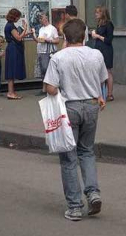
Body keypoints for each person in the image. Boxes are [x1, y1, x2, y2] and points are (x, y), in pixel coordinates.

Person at [43, 18, 108, 221]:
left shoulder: (59, 58)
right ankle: (93, 192)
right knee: (87, 151)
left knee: (69, 157)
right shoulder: (96, 54)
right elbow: (102, 79)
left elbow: (50, 88)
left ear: (65, 37)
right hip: (91, 106)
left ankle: (75, 206)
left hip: (69, 108)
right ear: (85, 36)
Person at [30, 12, 60, 96]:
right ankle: (44, 89)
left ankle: (50, 88)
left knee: (47, 69)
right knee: (42, 71)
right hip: (41, 51)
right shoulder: (41, 29)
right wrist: (33, 35)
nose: (40, 20)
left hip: (48, 52)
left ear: (45, 19)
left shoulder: (52, 28)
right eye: (39, 19)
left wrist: (48, 40)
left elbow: (57, 40)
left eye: (41, 18)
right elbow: (38, 40)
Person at [4, 8, 30, 100]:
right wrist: (25, 29)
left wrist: (26, 33)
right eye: (18, 16)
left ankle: (11, 91)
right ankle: (10, 92)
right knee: (12, 70)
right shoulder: (10, 26)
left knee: (11, 69)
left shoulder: (9, 25)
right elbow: (18, 38)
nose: (18, 18)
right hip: (13, 49)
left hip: (12, 47)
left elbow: (16, 37)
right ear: (14, 16)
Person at [90, 6, 115, 101]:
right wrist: (94, 35)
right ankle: (99, 93)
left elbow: (109, 40)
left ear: (102, 13)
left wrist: (97, 36)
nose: (96, 14)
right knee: (98, 71)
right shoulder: (99, 24)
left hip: (106, 50)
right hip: (98, 49)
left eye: (97, 12)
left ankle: (110, 94)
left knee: (107, 71)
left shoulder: (109, 24)